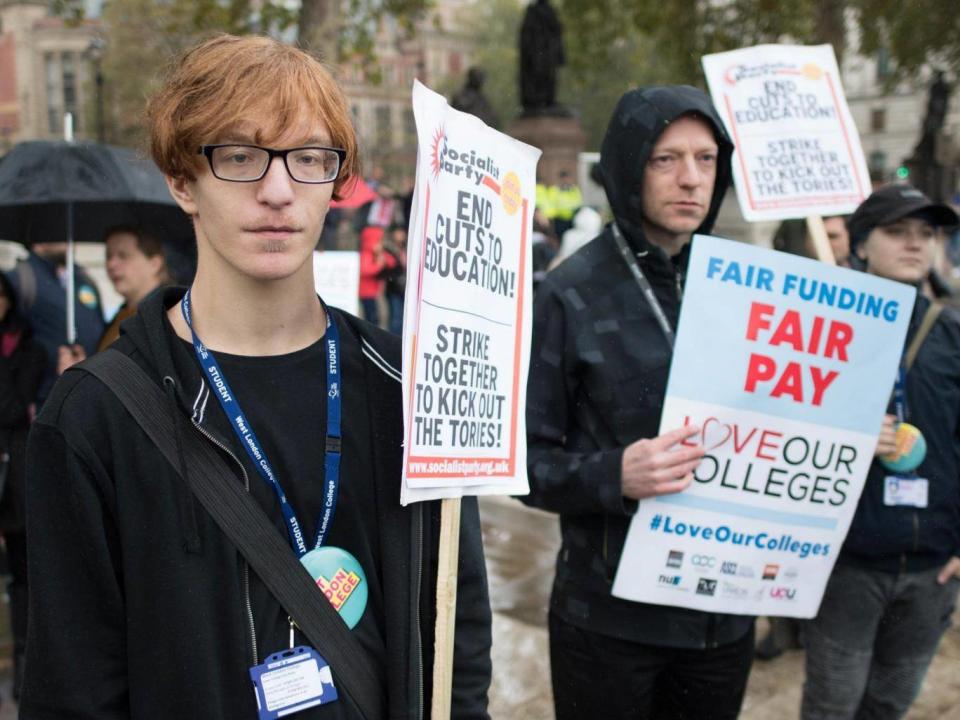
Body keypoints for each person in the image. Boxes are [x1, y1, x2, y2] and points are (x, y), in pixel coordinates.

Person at [23, 34, 491, 719]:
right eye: (240, 156)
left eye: (307, 158)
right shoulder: (95, 417)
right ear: (182, 179)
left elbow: (458, 631)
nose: (277, 191)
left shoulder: (410, 388)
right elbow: (75, 688)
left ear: (336, 182)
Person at [523, 85, 754, 719]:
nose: (690, 179)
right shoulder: (570, 293)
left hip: (724, 620)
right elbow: (521, 460)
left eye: (706, 159)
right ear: (628, 165)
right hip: (611, 625)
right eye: (665, 159)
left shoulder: (747, 287)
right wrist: (612, 474)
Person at [801, 184, 960, 720]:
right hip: (847, 564)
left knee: (890, 703)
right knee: (832, 705)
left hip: (933, 568)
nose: (915, 244)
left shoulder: (953, 334)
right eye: (897, 232)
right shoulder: (820, 328)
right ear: (861, 245)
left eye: (926, 234)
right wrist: (846, 437)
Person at [0, 272, 45, 702]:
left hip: (12, 482)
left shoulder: (28, 350)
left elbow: (13, 407)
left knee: (24, 579)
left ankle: (27, 670)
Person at [4, 241, 104, 406]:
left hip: (89, 395)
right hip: (45, 400)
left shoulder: (82, 278)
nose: (66, 239)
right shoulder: (20, 280)